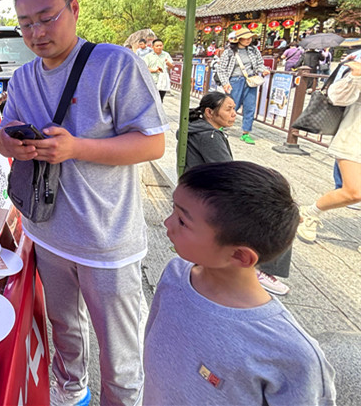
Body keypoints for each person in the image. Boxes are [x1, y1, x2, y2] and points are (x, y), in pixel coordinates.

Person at [0, 0, 167, 406]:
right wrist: (9, 143)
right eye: (25, 23)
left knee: (119, 354)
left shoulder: (115, 64)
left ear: (73, 9)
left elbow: (153, 143)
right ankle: (71, 392)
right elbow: (1, 134)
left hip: (106, 239)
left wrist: (76, 148)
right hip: (47, 233)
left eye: (46, 18)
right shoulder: (23, 78)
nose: (36, 32)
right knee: (65, 330)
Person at [144, 161, 336, 405]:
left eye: (182, 221)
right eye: (173, 210)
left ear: (240, 256)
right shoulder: (175, 275)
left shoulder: (292, 355)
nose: (167, 223)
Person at [180, 92, 291, 296]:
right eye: (228, 109)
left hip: (203, 189)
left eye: (234, 109)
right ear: (209, 112)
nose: (234, 114)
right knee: (278, 210)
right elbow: (229, 172)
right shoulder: (209, 136)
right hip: (210, 195)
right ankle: (259, 269)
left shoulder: (200, 129)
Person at [298, 60, 361, 242]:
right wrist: (356, 77)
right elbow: (336, 96)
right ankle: (311, 212)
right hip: (354, 138)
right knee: (354, 192)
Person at [216, 27, 269, 145]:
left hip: (250, 81)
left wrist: (263, 70)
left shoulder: (254, 50)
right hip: (235, 81)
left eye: (250, 38)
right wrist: (225, 83)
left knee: (250, 107)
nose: (248, 40)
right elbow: (221, 69)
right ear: (239, 39)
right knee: (231, 105)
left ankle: (246, 133)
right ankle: (221, 124)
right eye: (245, 38)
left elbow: (259, 64)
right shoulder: (229, 52)